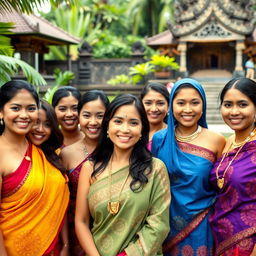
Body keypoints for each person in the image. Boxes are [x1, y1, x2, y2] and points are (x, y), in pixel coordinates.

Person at [75, 94, 171, 256]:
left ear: (142, 130)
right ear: (107, 126)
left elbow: (159, 224)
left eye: (133, 123)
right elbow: (81, 221)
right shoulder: (90, 168)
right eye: (118, 121)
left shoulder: (155, 169)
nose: (125, 129)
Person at [152, 78, 225, 255]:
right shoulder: (159, 140)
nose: (187, 109)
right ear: (171, 106)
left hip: (202, 225)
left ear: (203, 105)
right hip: (165, 225)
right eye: (181, 103)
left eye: (194, 103)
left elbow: (222, 185)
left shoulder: (217, 141)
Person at [0, 80, 69, 256]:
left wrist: (65, 246)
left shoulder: (42, 152)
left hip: (52, 249)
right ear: (1, 111)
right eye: (15, 108)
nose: (24, 115)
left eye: (30, 109)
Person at [209, 77, 256, 256]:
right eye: (228, 105)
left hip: (250, 243)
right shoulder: (226, 143)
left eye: (242, 104)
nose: (234, 111)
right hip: (220, 237)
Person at [61, 90, 109, 256]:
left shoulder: (118, 151)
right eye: (87, 115)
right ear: (79, 116)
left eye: (100, 116)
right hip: (76, 230)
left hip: (110, 228)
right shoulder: (67, 154)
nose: (93, 122)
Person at [140, 82, 169, 151]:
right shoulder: (134, 132)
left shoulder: (174, 135)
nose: (154, 109)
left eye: (160, 103)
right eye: (148, 103)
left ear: (168, 106)